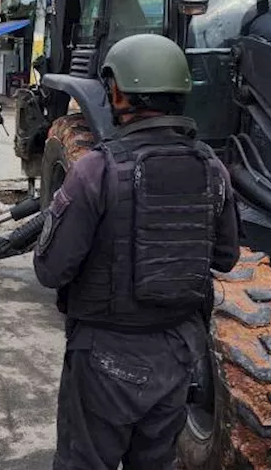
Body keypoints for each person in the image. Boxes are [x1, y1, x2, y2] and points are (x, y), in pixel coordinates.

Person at [33, 34, 240, 470]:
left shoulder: (97, 169)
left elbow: (50, 269)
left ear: (118, 91)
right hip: (179, 353)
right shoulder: (211, 168)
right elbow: (225, 257)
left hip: (107, 354)